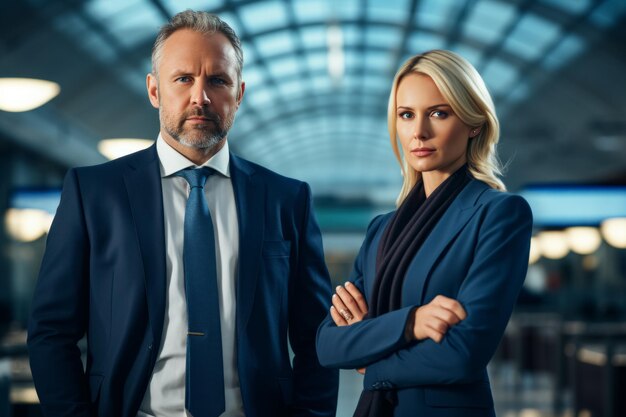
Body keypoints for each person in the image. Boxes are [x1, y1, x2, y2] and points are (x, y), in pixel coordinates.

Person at [27, 10, 338, 417]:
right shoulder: (94, 193)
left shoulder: (286, 198)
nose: (200, 97)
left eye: (217, 80)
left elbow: (318, 335)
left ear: (239, 93)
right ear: (154, 90)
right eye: (183, 79)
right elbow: (52, 331)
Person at [316, 49, 533, 417]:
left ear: (475, 122)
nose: (419, 132)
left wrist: (373, 362)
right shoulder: (381, 229)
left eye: (438, 113)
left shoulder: (499, 214)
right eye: (406, 115)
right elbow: (328, 344)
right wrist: (411, 322)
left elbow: (463, 354)